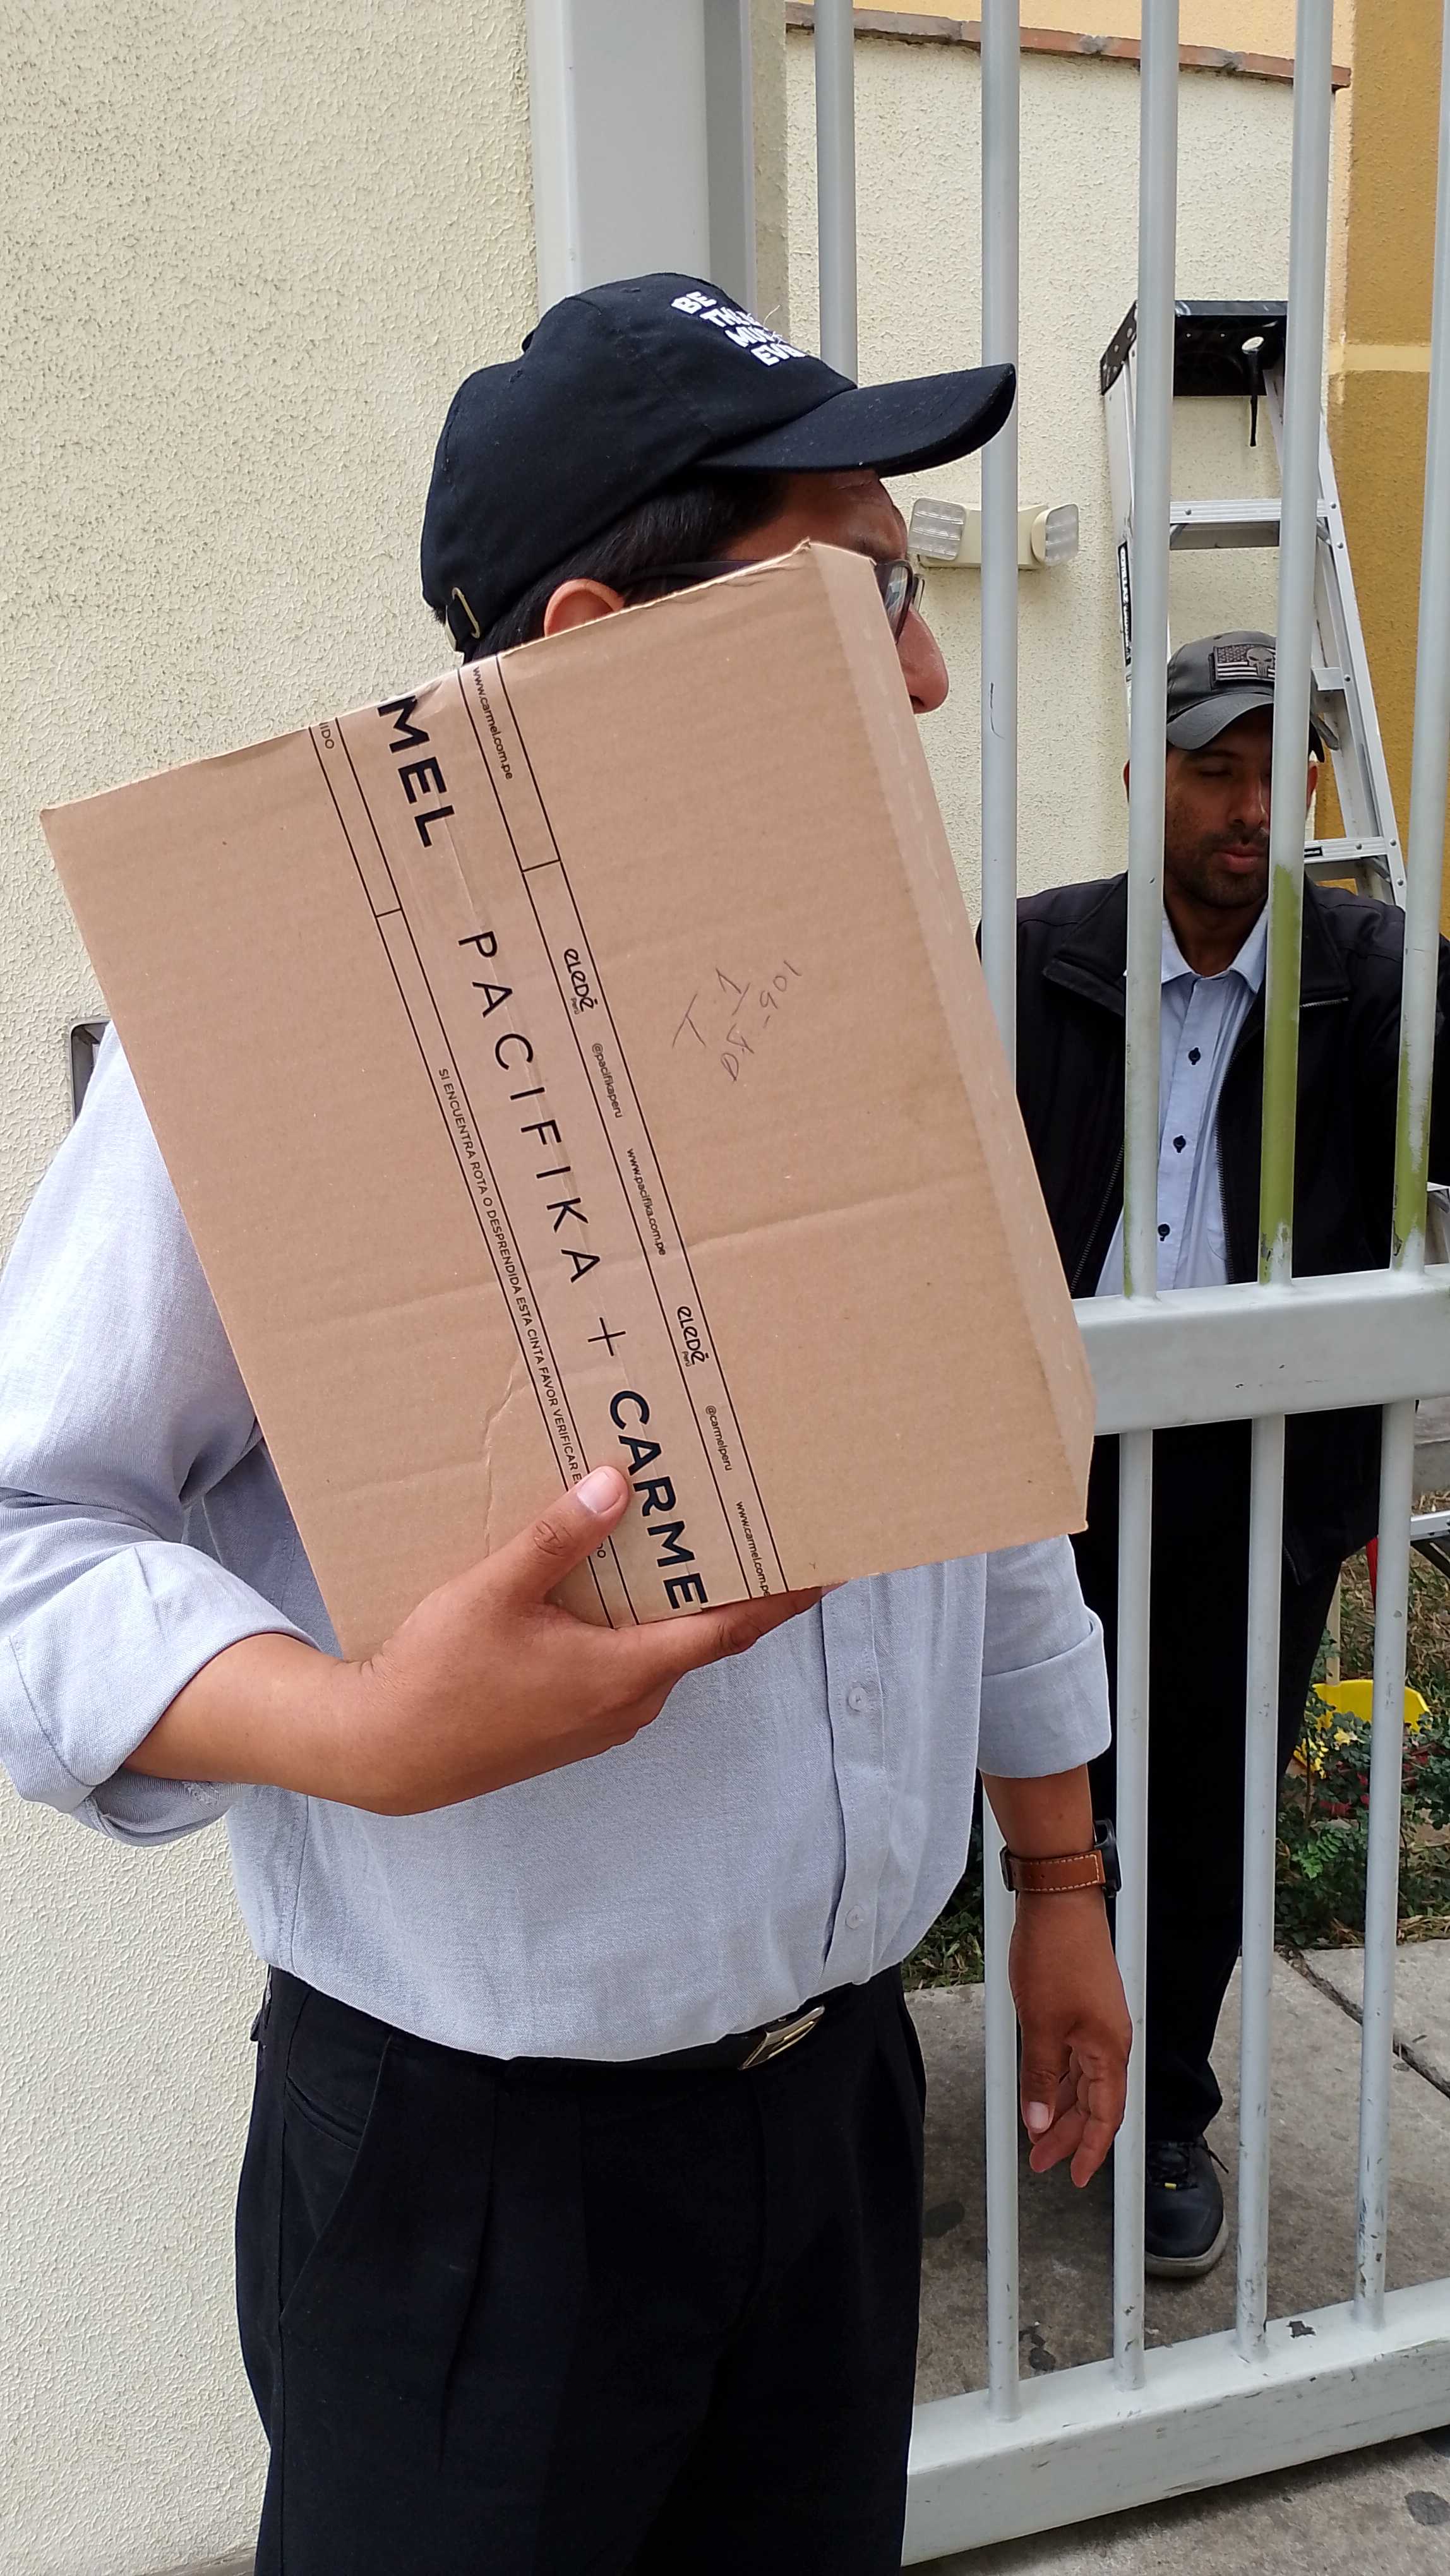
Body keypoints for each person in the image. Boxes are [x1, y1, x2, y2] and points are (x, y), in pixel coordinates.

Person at [0, 273, 1129, 2575]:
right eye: (871, 591)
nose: (930, 673)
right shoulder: (280, 1028)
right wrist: (358, 1730)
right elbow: (29, 1541)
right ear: (608, 644)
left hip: (834, 2113)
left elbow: (982, 1482)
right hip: (471, 2184)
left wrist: (1059, 1882)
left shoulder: (874, 982)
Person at [1014, 629, 1450, 2279]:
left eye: (1283, 772)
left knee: (1204, 1812)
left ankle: (1161, 2109)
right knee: (1044, 1780)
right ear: (1146, 779)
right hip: (1049, 1464)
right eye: (1215, 769)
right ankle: (1045, 2052)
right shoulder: (1035, 955)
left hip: (1257, 1473)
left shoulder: (1377, 975)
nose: (1254, 807)